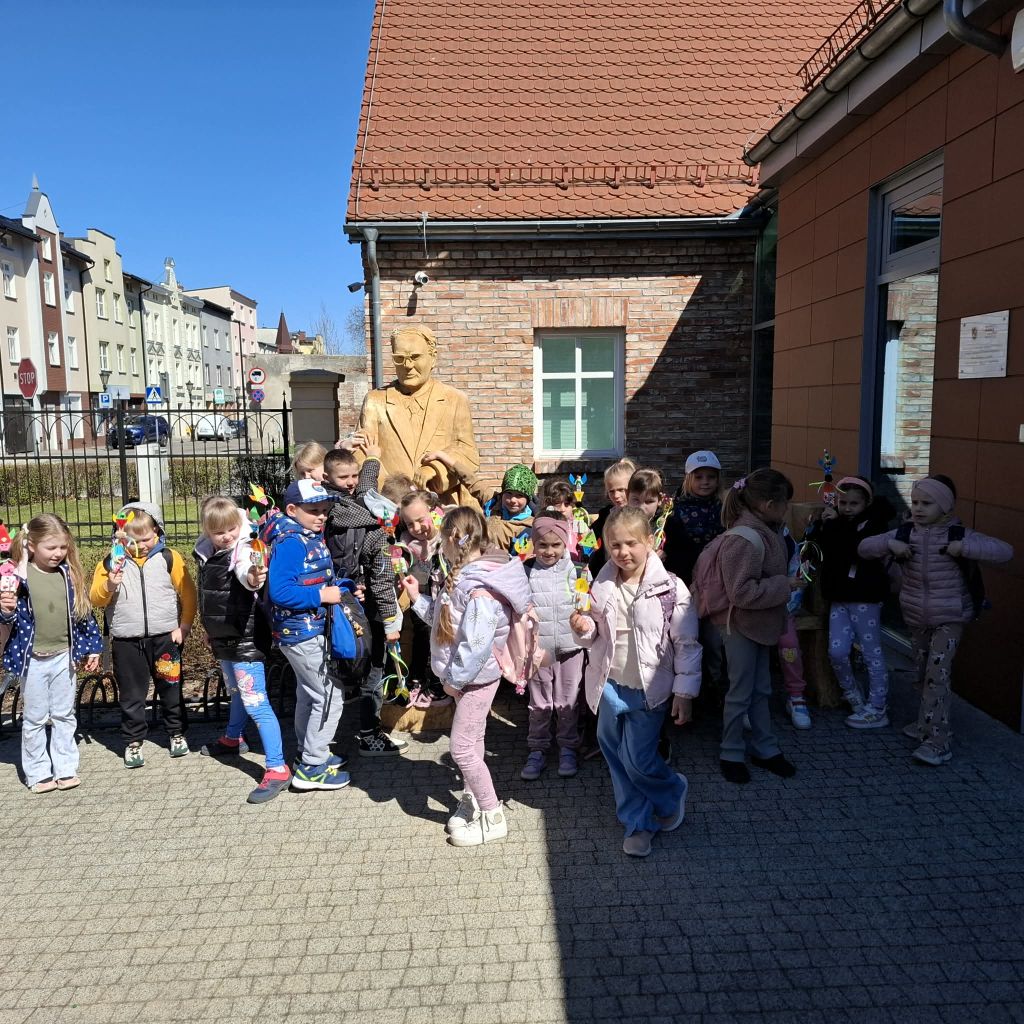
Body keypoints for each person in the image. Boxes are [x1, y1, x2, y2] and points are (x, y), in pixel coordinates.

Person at [569, 506, 699, 858]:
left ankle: (671, 790)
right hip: (609, 685)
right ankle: (638, 823)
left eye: (631, 543)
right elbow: (594, 635)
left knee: (638, 760)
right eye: (615, 545)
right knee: (615, 756)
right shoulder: (601, 585)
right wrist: (582, 628)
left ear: (650, 541)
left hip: (649, 691)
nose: (623, 552)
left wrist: (684, 693)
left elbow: (687, 643)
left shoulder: (671, 587)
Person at [858, 475, 1013, 765]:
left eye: (926, 503)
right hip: (916, 617)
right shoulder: (905, 533)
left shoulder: (959, 535)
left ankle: (937, 742)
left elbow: (1005, 551)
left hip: (950, 617)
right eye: (915, 502)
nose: (918, 508)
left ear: (945, 506)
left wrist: (964, 548)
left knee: (936, 676)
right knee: (921, 674)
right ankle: (925, 723)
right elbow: (864, 548)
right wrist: (891, 545)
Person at [402, 507, 529, 847]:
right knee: (473, 741)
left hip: (475, 678)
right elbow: (447, 624)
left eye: (442, 540)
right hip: (466, 677)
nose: (439, 546)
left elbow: (476, 644)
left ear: (453, 539)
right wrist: (417, 599)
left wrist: (454, 681)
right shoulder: (461, 578)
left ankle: (492, 815)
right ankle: (472, 799)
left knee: (460, 749)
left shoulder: (480, 588)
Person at [194, 497, 290, 804]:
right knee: (236, 692)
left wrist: (253, 577)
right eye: (218, 532)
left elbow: (246, 572)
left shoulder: (243, 550)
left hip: (245, 639)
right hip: (224, 637)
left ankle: (277, 767)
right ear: (207, 531)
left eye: (231, 529)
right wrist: (211, 631)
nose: (227, 536)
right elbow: (212, 597)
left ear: (240, 525)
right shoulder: (207, 552)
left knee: (256, 702)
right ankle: (232, 738)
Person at [707, 469, 800, 785]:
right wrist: (785, 585)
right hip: (740, 626)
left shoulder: (766, 531)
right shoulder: (745, 538)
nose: (787, 508)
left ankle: (765, 747)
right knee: (740, 692)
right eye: (785, 502)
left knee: (760, 689)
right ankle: (731, 752)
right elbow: (741, 592)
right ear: (769, 504)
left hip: (758, 624)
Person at [90, 501, 197, 769]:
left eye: (146, 539)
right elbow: (96, 599)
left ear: (157, 531)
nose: (140, 546)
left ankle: (176, 733)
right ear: (120, 536)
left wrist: (184, 626)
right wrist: (109, 584)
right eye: (132, 541)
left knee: (171, 688)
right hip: (127, 641)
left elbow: (188, 593)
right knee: (131, 695)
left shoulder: (169, 557)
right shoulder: (111, 561)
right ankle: (133, 741)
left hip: (165, 638)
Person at [0, 515, 101, 792]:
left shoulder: (68, 575)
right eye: (51, 547)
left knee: (64, 714)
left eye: (63, 547)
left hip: (63, 657)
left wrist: (93, 646)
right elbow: (7, 619)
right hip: (32, 660)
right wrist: (6, 610)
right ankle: (38, 773)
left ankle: (66, 768)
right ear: (31, 545)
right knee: (34, 718)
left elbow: (83, 614)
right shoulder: (17, 577)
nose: (58, 553)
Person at [323, 446, 409, 756]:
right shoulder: (376, 524)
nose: (351, 482)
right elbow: (383, 581)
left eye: (354, 476)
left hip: (332, 599)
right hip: (362, 607)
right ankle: (369, 736)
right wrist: (390, 620)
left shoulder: (323, 505)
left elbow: (364, 488)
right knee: (373, 670)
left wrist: (372, 459)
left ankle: (320, 745)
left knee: (334, 674)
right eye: (343, 477)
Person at [267, 479, 350, 791]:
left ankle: (309, 751)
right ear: (292, 510)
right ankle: (312, 767)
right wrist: (321, 596)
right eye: (314, 511)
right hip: (301, 632)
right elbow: (280, 591)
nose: (321, 516)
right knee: (329, 696)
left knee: (309, 692)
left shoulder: (306, 535)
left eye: (324, 510)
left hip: (306, 629)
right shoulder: (292, 542)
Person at [358, 324, 481, 504]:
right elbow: (361, 452)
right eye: (399, 358)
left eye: (415, 357)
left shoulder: (454, 399)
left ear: (433, 357)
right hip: (390, 507)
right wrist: (391, 492)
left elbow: (468, 453)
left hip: (442, 506)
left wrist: (435, 469)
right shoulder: (375, 400)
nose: (407, 365)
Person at [816, 476, 894, 728]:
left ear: (867, 503)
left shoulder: (876, 524)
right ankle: (852, 693)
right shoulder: (837, 522)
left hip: (865, 596)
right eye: (843, 502)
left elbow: (854, 549)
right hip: (839, 595)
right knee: (837, 651)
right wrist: (823, 525)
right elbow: (825, 550)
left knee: (872, 652)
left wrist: (835, 524)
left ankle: (878, 706)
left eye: (854, 503)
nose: (847, 508)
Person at [661, 450, 728, 709]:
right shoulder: (674, 510)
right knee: (685, 637)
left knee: (713, 641)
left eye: (711, 477)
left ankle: (715, 690)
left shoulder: (724, 509)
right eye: (698, 477)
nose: (705, 482)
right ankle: (685, 694)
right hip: (685, 583)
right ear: (688, 478)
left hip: (716, 586)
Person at [520, 514, 584, 781]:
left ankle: (568, 748)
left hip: (572, 647)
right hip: (538, 650)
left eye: (556, 545)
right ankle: (537, 749)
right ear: (533, 544)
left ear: (565, 542)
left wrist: (586, 621)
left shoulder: (578, 569)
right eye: (542, 545)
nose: (549, 551)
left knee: (568, 702)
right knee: (539, 703)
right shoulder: (525, 570)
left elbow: (588, 604)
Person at [423, 452, 537, 553]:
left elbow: (521, 561)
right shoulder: (493, 502)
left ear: (528, 499)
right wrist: (442, 456)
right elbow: (470, 479)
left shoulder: (529, 529)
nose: (512, 500)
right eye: (509, 493)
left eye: (519, 496)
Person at [397, 490, 449, 708]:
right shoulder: (406, 542)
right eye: (410, 524)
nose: (416, 528)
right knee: (422, 635)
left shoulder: (448, 536)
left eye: (420, 520)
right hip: (420, 594)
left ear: (434, 513)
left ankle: (440, 683)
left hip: (445, 596)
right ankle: (417, 677)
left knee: (441, 639)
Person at [587, 458, 635, 577]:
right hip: (608, 573)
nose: (616, 495)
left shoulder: (639, 515)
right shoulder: (606, 516)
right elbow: (592, 541)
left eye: (621, 490)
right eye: (611, 491)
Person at [626, 468, 672, 555]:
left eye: (649, 502)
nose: (641, 507)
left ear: (660, 500)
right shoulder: (620, 522)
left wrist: (666, 553)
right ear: (627, 496)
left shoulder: (668, 525)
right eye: (636, 500)